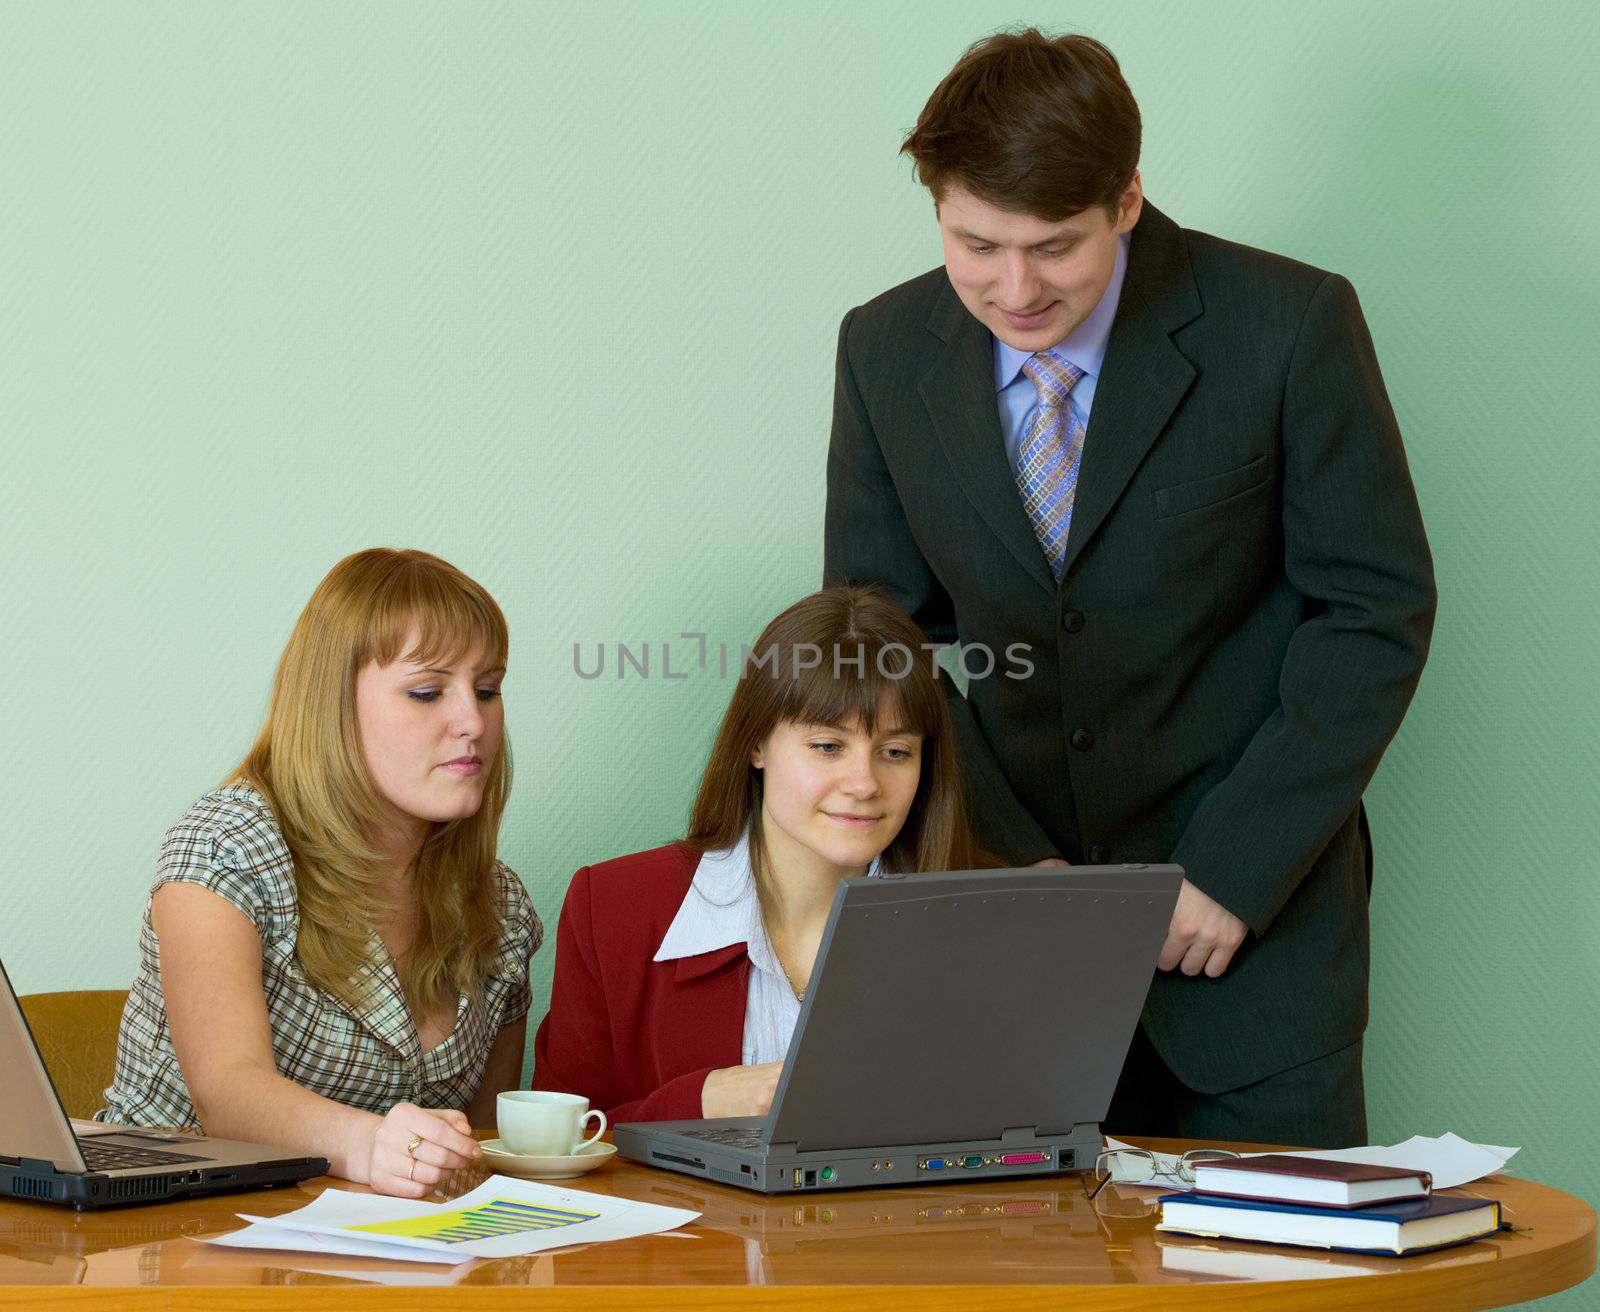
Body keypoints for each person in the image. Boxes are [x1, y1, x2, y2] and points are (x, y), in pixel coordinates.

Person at [823, 30, 1436, 1147]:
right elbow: (881, 642)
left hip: (1258, 948)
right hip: (1012, 950)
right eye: (975, 244)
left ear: (1127, 200)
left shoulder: (1289, 325)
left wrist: (1232, 869)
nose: (1013, 288)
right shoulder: (880, 349)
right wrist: (1015, 863)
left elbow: (1372, 613)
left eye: (1053, 247)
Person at [98, 548, 542, 1196]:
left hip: (377, 1261)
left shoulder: (501, 909)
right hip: (170, 1235)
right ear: (333, 704)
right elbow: (227, 1091)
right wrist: (370, 1145)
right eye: (427, 691)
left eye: (487, 688)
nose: (473, 722)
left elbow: (474, 1153)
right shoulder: (228, 848)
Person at [531, 586, 979, 1121]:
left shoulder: (989, 914)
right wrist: (696, 1103)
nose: (864, 783)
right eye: (828, 746)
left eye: (895, 752)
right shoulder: (612, 908)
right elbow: (553, 1144)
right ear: (757, 743)